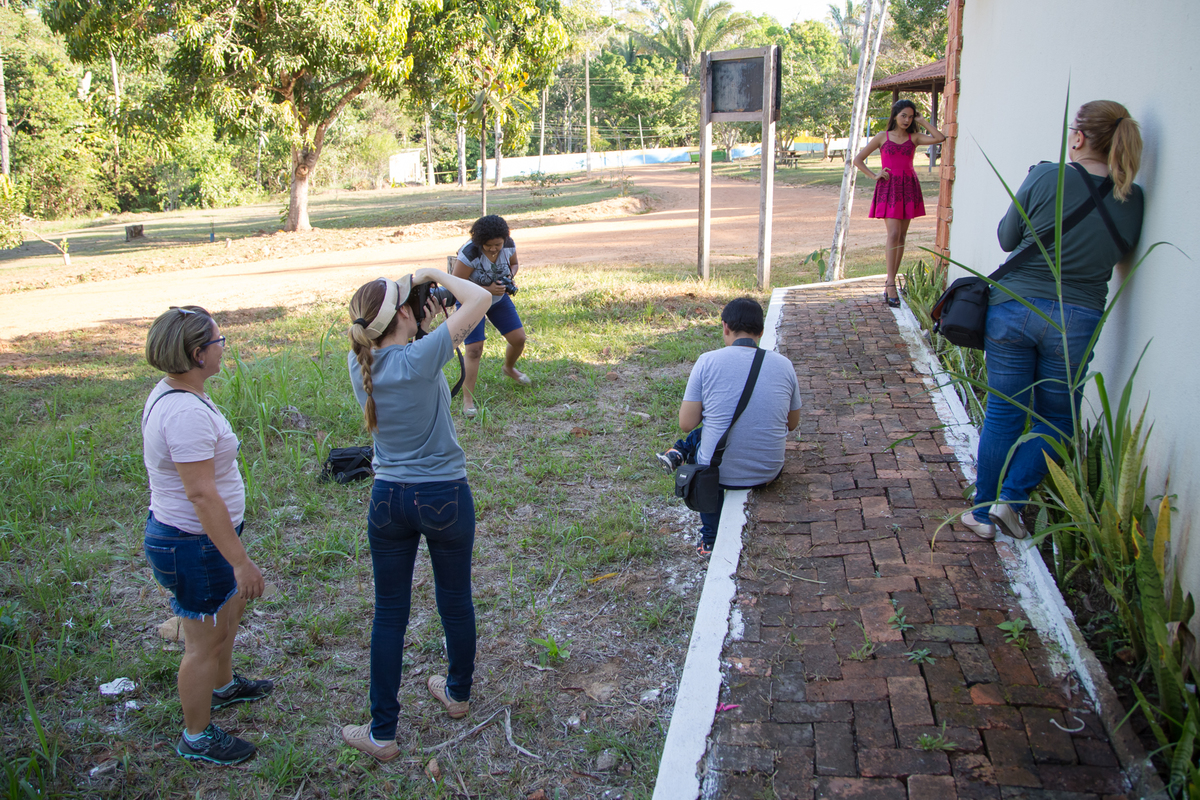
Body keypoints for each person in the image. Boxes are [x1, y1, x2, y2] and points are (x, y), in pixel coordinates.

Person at [959, 100, 1144, 541]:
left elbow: (1007, 239)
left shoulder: (1045, 175)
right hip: (1077, 318)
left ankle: (982, 515)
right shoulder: (1130, 196)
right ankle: (1011, 499)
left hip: (1013, 310)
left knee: (1004, 412)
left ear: (1078, 137)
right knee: (1057, 420)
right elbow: (1119, 254)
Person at [340, 266, 492, 762]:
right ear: (404, 313)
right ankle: (457, 694)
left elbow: (399, 352)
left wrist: (418, 323)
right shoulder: (423, 357)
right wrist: (434, 273)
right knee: (455, 601)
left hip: (387, 499)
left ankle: (382, 733)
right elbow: (481, 299)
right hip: (444, 495)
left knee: (388, 615)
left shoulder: (357, 359)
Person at [141, 306, 272, 766]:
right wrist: (240, 561)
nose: (224, 348)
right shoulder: (183, 413)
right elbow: (200, 494)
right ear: (198, 354)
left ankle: (224, 686)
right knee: (203, 642)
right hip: (193, 542)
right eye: (219, 342)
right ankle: (196, 736)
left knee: (226, 616)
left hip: (203, 538)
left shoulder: (180, 391)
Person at [657, 298, 802, 557]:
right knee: (717, 434)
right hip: (768, 470)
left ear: (725, 327)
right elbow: (791, 424)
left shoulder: (707, 361)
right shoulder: (784, 365)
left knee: (705, 447)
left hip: (720, 474)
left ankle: (709, 539)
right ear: (761, 331)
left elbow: (686, 423)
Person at [852, 99, 946, 307]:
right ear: (894, 115)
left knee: (902, 236)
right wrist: (874, 175)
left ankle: (890, 279)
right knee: (893, 234)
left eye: (911, 116)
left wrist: (922, 121)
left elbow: (940, 138)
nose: (907, 120)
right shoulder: (882, 137)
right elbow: (858, 160)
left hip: (909, 187)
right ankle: (890, 283)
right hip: (890, 187)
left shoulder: (914, 137)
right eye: (903, 115)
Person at [452, 214, 530, 418]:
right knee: (474, 350)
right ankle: (467, 399)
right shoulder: (469, 253)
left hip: (497, 299)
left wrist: (508, 278)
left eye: (498, 244)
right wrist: (487, 287)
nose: (494, 249)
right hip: (471, 302)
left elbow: (514, 264)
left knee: (518, 339)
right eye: (488, 246)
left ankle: (509, 368)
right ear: (479, 243)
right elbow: (456, 284)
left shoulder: (508, 244)